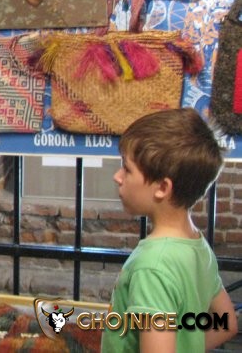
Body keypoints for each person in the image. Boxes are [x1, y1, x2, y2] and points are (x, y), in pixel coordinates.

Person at [101, 108, 238, 352]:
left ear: (163, 188)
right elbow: (226, 323)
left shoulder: (152, 267)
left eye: (127, 169)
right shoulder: (197, 246)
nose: (117, 177)